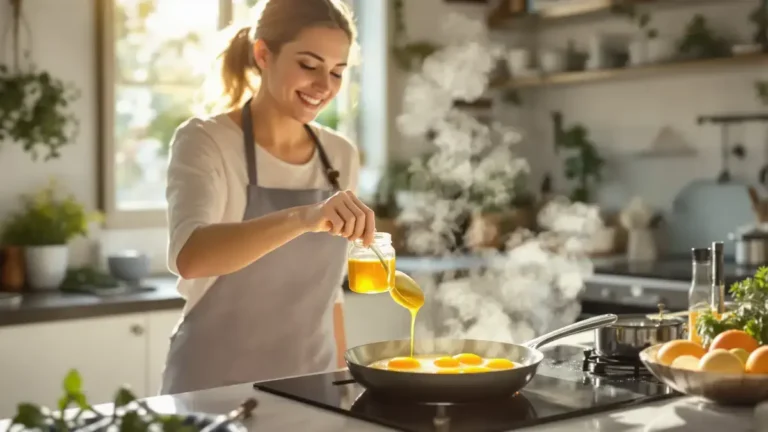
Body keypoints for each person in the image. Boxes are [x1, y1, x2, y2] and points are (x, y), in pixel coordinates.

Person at [160, 0, 375, 395]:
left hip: (313, 387)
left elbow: (330, 295)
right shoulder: (205, 141)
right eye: (309, 65)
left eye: (337, 72)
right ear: (263, 53)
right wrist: (305, 218)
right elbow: (191, 256)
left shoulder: (340, 156)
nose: (324, 86)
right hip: (212, 391)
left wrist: (344, 386)